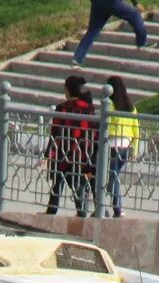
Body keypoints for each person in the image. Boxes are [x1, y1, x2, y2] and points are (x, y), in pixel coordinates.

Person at [44, 74, 94, 218]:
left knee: (57, 184)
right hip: (81, 153)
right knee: (78, 184)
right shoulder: (89, 108)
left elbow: (55, 132)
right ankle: (82, 213)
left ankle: (51, 213)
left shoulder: (62, 108)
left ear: (68, 89)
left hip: (63, 153)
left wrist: (48, 154)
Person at [72, 0, 148, 66]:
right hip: (112, 2)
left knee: (92, 31)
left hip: (97, 3)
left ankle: (77, 59)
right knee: (135, 14)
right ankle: (141, 43)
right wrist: (136, 3)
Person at [105, 75, 138, 218]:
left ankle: (117, 208)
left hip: (112, 146)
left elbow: (105, 125)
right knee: (113, 176)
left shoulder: (110, 105)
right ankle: (108, 205)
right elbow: (136, 130)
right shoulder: (131, 107)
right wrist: (134, 149)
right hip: (125, 146)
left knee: (112, 177)